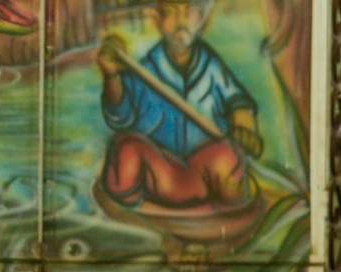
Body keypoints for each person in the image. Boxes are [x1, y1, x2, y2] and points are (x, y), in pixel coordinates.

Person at [96, 2, 264, 229]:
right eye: (171, 12)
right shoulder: (145, 69)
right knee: (125, 147)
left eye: (189, 12)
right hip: (159, 178)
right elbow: (120, 118)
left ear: (202, 19)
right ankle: (142, 215)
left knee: (227, 156)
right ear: (157, 20)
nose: (181, 21)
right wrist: (111, 77)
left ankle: (221, 218)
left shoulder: (212, 67)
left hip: (204, 178)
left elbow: (237, 102)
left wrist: (245, 128)